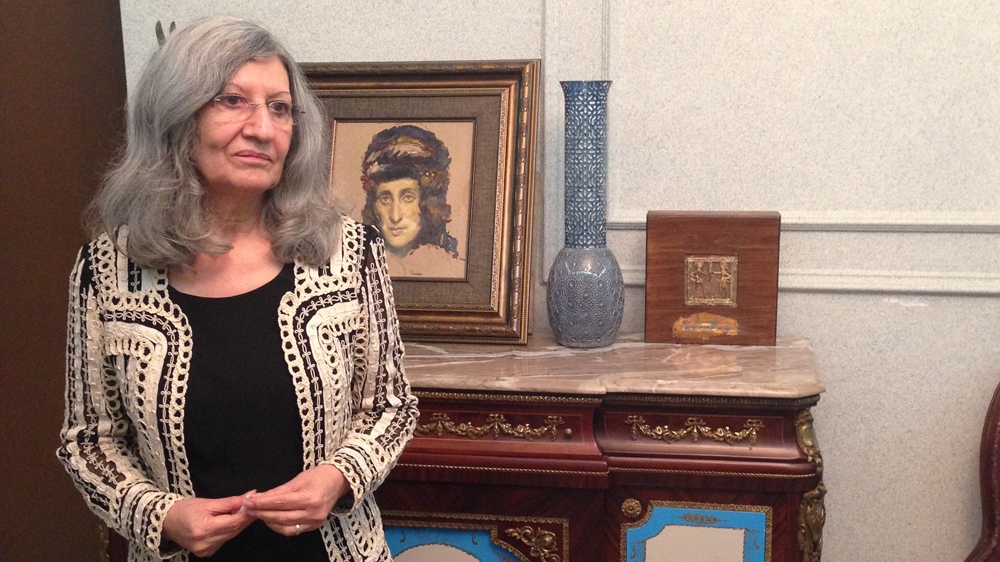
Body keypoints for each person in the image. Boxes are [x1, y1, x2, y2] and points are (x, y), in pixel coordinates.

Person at [57, 16, 418, 562]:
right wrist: (161, 514)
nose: (263, 128)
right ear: (178, 118)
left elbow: (391, 406)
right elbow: (89, 442)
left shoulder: (348, 252)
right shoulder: (107, 271)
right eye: (231, 100)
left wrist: (339, 476)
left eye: (279, 108)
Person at [360, 125, 466, 278]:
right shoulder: (359, 271)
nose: (395, 216)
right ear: (374, 206)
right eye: (385, 199)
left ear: (427, 203)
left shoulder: (452, 269)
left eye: (407, 198)